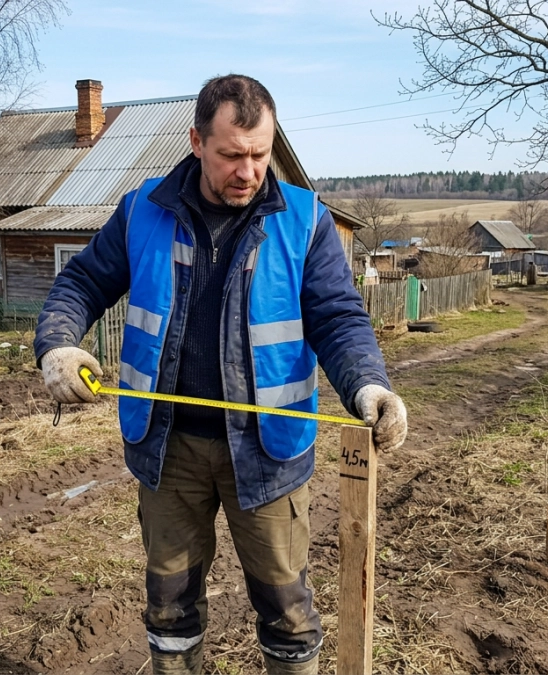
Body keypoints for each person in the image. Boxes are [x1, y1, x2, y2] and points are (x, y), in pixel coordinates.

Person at [34, 74, 407, 675]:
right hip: (168, 451)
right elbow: (80, 283)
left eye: (260, 154)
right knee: (170, 609)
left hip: (269, 455)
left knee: (287, 612)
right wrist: (56, 346)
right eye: (232, 154)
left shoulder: (304, 222)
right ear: (197, 142)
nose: (248, 170)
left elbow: (339, 318)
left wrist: (369, 383)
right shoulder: (141, 213)